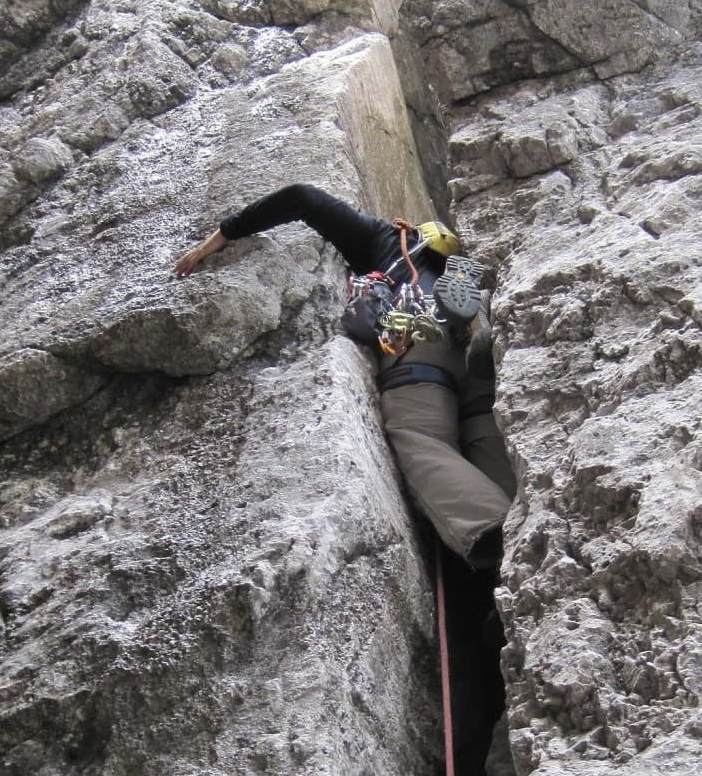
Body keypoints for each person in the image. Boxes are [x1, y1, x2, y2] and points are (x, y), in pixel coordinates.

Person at [175, 183, 515, 569]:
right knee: (484, 435)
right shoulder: (457, 268)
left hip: (420, 350)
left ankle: (494, 538)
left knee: (424, 439)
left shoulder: (386, 237)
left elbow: (303, 198)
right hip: (474, 358)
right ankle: (527, 534)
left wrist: (221, 236)